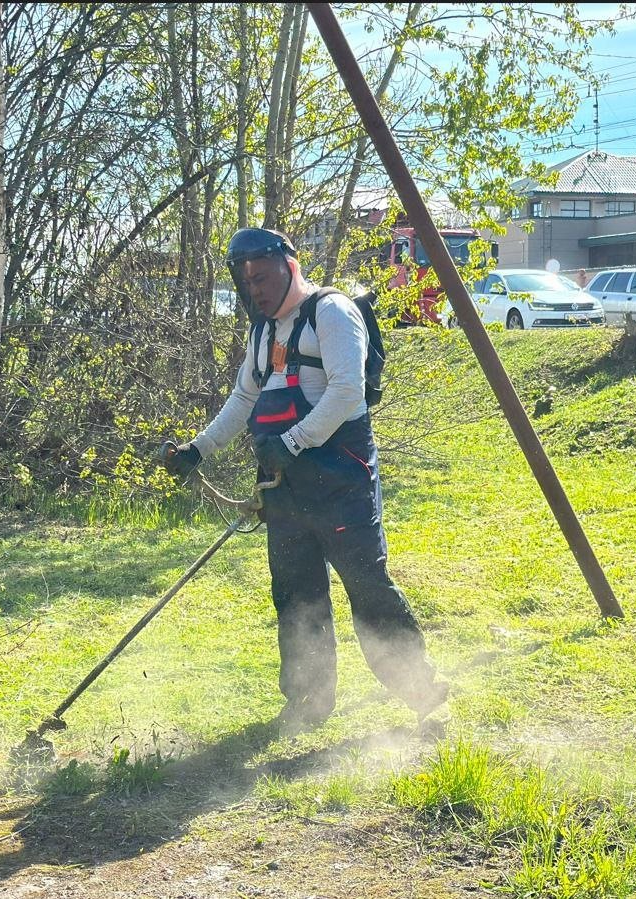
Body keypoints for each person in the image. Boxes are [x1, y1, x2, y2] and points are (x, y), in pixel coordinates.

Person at [164, 227, 448, 736]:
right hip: (285, 489)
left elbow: (346, 392)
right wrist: (197, 450)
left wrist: (292, 442)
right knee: (297, 596)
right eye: (247, 281)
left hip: (342, 480)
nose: (256, 289)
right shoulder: (261, 334)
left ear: (289, 267)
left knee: (368, 587)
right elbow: (242, 402)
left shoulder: (331, 313)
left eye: (263, 277)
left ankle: (424, 693)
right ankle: (307, 704)